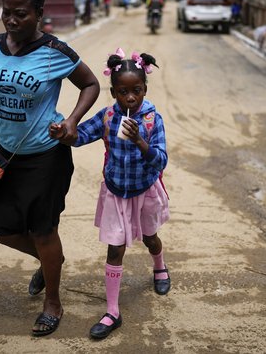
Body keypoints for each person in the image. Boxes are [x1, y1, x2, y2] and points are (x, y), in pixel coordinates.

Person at [0, 0, 99, 337]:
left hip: (45, 158)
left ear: (38, 13)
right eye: (7, 13)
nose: (12, 21)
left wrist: (71, 121)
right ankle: (51, 262)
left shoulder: (55, 51)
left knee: (43, 229)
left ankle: (53, 301)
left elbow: (91, 84)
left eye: (20, 13)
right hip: (4, 155)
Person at [50, 47, 170, 340]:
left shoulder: (153, 120)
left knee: (150, 238)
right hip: (116, 192)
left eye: (136, 91)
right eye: (122, 92)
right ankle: (113, 311)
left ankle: (160, 265)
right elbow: (80, 136)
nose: (130, 98)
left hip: (144, 190)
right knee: (115, 248)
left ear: (145, 88)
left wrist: (140, 141)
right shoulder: (108, 117)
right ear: (114, 92)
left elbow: (161, 159)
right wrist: (64, 133)